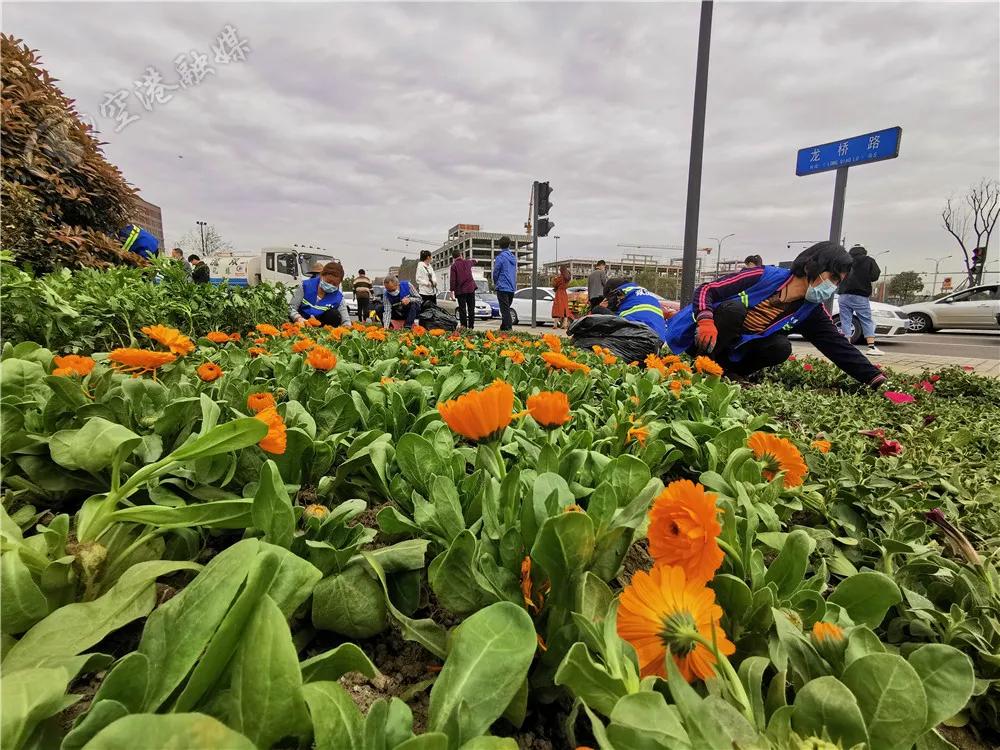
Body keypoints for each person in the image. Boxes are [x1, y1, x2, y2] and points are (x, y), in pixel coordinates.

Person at [665, 242, 887, 387]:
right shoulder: (763, 276)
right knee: (734, 310)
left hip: (733, 351)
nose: (833, 286)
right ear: (813, 266)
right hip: (698, 338)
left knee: (781, 347)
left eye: (838, 282)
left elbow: (838, 345)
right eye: (833, 277)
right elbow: (707, 290)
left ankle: (727, 372)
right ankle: (698, 367)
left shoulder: (811, 311)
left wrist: (875, 378)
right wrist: (705, 319)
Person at [838, 245, 884, 355]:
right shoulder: (869, 260)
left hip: (844, 294)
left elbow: (838, 274)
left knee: (845, 320)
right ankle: (871, 347)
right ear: (864, 252)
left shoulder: (845, 261)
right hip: (860, 294)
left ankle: (847, 346)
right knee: (866, 320)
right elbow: (874, 276)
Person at [603, 278, 668, 342]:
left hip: (639, 336)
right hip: (660, 338)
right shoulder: (646, 294)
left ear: (610, 291)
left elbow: (608, 316)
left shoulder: (619, 292)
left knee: (599, 311)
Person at [289, 261, 349, 325]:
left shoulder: (338, 298)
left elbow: (346, 320)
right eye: (329, 281)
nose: (331, 285)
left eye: (335, 284)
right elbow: (291, 308)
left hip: (322, 327)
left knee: (334, 314)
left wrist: (348, 329)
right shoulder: (305, 286)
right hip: (301, 323)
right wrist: (298, 318)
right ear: (321, 276)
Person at [492, 236, 517, 331]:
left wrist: (495, 282)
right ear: (509, 244)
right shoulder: (513, 258)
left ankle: (509, 329)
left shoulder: (500, 257)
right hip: (511, 287)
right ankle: (503, 328)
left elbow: (496, 272)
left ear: (499, 245)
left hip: (502, 287)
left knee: (505, 310)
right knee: (506, 309)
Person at [449, 248, 478, 329]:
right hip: (471, 289)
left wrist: (451, 291)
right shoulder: (468, 262)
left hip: (461, 291)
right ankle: (471, 327)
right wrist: (476, 260)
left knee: (462, 310)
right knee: (471, 309)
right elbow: (474, 261)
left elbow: (453, 280)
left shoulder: (454, 266)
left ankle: (464, 327)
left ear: (453, 258)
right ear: (461, 255)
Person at [551, 264, 572, 329]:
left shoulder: (559, 278)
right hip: (564, 293)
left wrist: (554, 278)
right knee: (565, 309)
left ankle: (555, 325)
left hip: (559, 294)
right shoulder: (567, 278)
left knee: (557, 308)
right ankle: (564, 324)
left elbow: (554, 285)